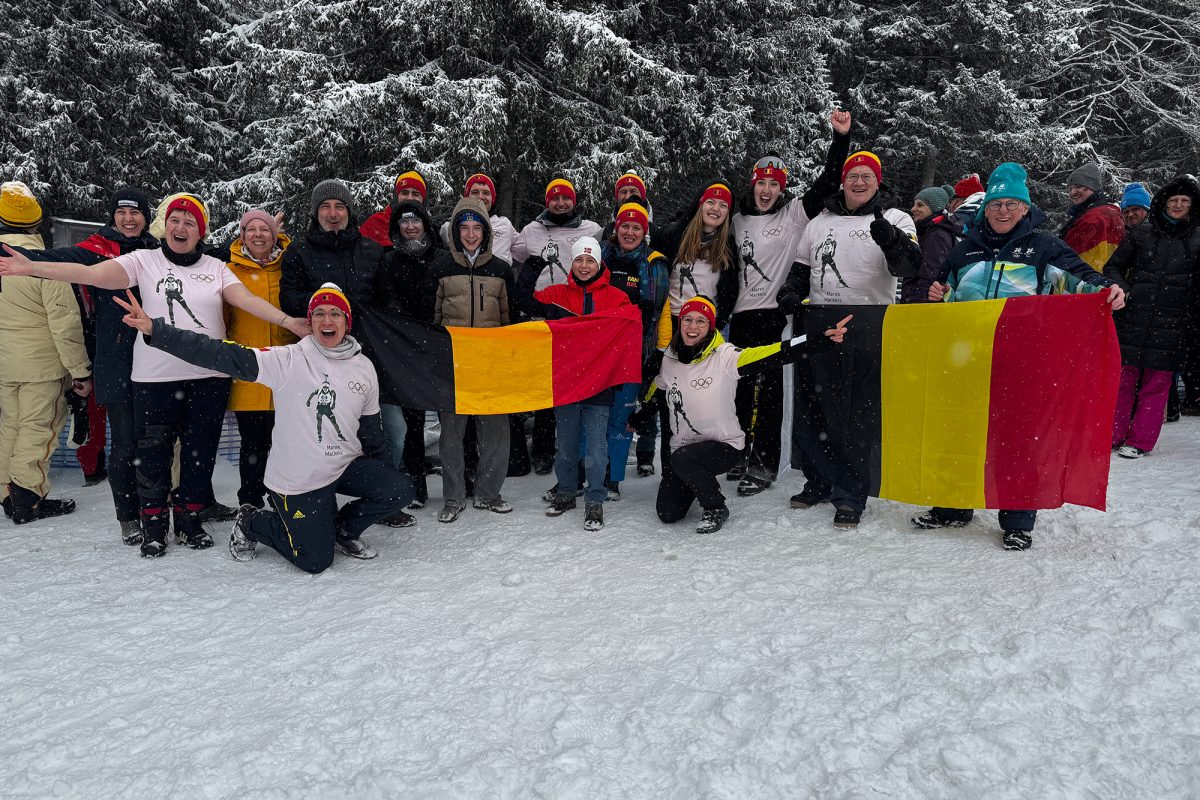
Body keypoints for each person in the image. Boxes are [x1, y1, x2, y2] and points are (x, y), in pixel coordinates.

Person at [0, 195, 312, 557]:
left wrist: (288, 321)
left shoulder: (216, 267)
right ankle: (153, 526)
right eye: (175, 220)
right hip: (153, 378)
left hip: (208, 377)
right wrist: (33, 265)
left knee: (199, 454)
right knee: (153, 454)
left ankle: (190, 521)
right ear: (165, 226)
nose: (181, 227)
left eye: (190, 222)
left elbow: (245, 299)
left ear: (201, 232)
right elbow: (88, 272)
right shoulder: (142, 261)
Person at [115, 283, 412, 571]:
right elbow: (220, 353)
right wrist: (157, 330)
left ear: (347, 322)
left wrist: (385, 477)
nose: (327, 320)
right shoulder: (288, 359)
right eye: (319, 313)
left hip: (343, 465)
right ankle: (253, 521)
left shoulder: (364, 367)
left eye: (335, 313)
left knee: (400, 489)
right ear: (310, 322)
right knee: (314, 560)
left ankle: (343, 530)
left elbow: (371, 431)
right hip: (300, 478)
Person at [920, 162, 1127, 551]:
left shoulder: (1042, 246)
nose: (1003, 211)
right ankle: (952, 506)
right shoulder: (965, 248)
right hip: (966, 360)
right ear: (986, 207)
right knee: (959, 432)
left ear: (1025, 209)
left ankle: (1017, 519)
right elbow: (945, 291)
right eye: (997, 203)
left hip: (1021, 362)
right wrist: (938, 294)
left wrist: (1106, 289)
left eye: (1012, 204)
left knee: (1016, 440)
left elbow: (1076, 277)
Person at [779, 150, 920, 528]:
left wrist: (891, 241)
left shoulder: (896, 217)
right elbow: (801, 267)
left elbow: (909, 265)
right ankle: (820, 479)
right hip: (819, 317)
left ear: (878, 181)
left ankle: (851, 492)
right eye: (853, 176)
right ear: (843, 181)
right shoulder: (820, 221)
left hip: (869, 319)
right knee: (815, 407)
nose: (859, 182)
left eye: (866, 177)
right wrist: (791, 293)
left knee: (856, 412)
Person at [9, 188, 158, 543]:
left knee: (155, 440)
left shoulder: (156, 250)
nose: (128, 219)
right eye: (121, 213)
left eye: (135, 213)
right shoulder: (97, 248)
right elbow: (58, 257)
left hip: (155, 357)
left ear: (145, 217)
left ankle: (155, 505)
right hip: (116, 358)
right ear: (112, 216)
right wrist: (26, 260)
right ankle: (128, 516)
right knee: (124, 444)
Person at [629, 296, 849, 534]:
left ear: (711, 326)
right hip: (686, 449)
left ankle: (715, 507)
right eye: (688, 320)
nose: (693, 327)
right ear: (680, 322)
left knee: (683, 458)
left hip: (723, 446)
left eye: (701, 321)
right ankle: (698, 480)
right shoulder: (670, 359)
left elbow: (775, 352)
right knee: (668, 513)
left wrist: (818, 340)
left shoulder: (725, 356)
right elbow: (659, 392)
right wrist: (640, 418)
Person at [728, 109, 851, 496]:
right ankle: (740, 452)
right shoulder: (736, 219)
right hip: (736, 317)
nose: (766, 190)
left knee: (767, 393)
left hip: (771, 315)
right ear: (752, 185)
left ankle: (764, 464)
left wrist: (840, 139)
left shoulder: (794, 214)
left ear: (782, 190)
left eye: (774, 185)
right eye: (761, 183)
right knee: (738, 389)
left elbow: (829, 181)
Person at [517, 236, 633, 530]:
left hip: (599, 386)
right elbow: (524, 300)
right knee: (566, 446)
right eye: (579, 260)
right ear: (572, 263)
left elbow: (627, 336)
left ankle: (594, 499)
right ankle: (567, 491)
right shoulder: (558, 294)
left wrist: (618, 376)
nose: (584, 266)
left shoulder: (616, 298)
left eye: (589, 260)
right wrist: (534, 265)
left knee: (595, 449)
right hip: (566, 383)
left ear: (598, 263)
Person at [0, 183, 93, 524]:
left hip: (6, 364)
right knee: (38, 429)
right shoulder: (41, 263)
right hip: (43, 366)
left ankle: (8, 495)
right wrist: (80, 371)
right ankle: (28, 498)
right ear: (36, 224)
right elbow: (65, 324)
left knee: (10, 426)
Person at [426, 197, 515, 523]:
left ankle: (489, 493)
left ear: (487, 231)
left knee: (495, 431)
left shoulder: (501, 270)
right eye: (464, 227)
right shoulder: (441, 267)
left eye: (477, 227)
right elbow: (431, 321)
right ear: (455, 231)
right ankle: (453, 496)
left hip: (490, 366)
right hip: (454, 367)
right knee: (451, 434)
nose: (471, 234)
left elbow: (510, 322)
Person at [1104, 175, 1200, 458]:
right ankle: (1113, 434)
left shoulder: (1198, 236)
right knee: (1122, 380)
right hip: (1134, 317)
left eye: (1184, 201)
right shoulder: (1143, 232)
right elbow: (1112, 268)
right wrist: (1125, 290)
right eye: (1174, 200)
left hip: (1174, 322)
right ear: (1164, 203)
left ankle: (1140, 441)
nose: (1179, 205)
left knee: (1156, 385)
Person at [375, 199, 450, 512]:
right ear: (397, 227)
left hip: (440, 343)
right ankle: (416, 480)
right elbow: (383, 296)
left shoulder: (443, 258)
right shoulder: (389, 260)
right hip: (404, 345)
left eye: (415, 221)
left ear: (425, 224)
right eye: (403, 222)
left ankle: (460, 477)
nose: (410, 226)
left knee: (452, 414)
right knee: (413, 420)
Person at [223, 210, 298, 509]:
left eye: (264, 229)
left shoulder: (291, 268)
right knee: (253, 447)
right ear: (241, 236)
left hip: (287, 375)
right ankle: (250, 508)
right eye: (250, 230)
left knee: (287, 448)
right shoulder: (228, 271)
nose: (257, 235)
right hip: (249, 376)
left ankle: (287, 506)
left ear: (274, 235)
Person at [599, 201, 669, 498]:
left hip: (636, 350)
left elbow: (663, 309)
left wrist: (661, 350)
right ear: (616, 228)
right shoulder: (601, 256)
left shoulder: (655, 263)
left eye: (636, 227)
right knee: (594, 414)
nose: (629, 232)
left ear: (645, 231)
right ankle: (589, 471)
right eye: (624, 226)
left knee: (622, 417)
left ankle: (612, 478)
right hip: (599, 349)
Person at [281, 179, 384, 318]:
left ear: (349, 212)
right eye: (325, 206)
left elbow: (388, 299)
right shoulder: (298, 251)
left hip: (369, 335)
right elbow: (288, 299)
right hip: (317, 336)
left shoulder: (373, 250)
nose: (333, 214)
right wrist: (326, 302)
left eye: (339, 206)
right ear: (315, 213)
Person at [1061, 162, 1125, 272]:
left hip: (1088, 284)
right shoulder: (1108, 211)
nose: (1073, 192)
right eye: (1069, 189)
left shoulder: (1094, 218)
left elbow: (1083, 262)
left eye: (1079, 186)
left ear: (1093, 187)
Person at [438, 173, 516, 263]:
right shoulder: (449, 227)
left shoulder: (505, 224)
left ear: (492, 199)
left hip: (498, 276)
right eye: (475, 192)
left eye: (486, 193)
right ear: (467, 197)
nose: (480, 197)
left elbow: (523, 250)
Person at [901, 186, 959, 304]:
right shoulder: (929, 231)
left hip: (921, 307)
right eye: (914, 204)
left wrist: (913, 305)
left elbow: (931, 278)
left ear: (934, 208)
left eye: (920, 205)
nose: (913, 209)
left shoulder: (937, 235)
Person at [359, 170, 429, 248]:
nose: (409, 198)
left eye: (415, 194)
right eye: (404, 193)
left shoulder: (429, 228)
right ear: (396, 197)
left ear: (423, 199)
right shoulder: (375, 223)